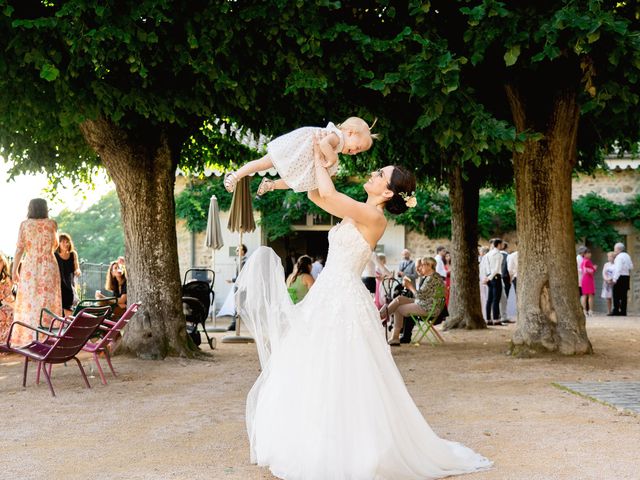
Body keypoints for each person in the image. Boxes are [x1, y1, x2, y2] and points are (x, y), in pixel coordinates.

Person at [234, 138, 491, 479]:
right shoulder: (358, 209)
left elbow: (328, 195)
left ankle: (351, 447)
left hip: (344, 299)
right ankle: (313, 439)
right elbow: (317, 195)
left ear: (387, 193)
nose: (372, 173)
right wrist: (301, 169)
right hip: (328, 296)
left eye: (379, 174)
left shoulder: (373, 216)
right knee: (315, 367)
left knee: (344, 370)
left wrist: (317, 152)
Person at [224, 117, 377, 196]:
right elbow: (324, 143)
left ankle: (271, 184)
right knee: (264, 163)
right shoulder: (336, 137)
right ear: (349, 133)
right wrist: (332, 159)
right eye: (357, 147)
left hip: (305, 157)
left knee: (299, 180)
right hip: (299, 147)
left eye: (358, 151)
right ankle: (235, 175)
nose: (355, 152)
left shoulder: (339, 142)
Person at [11, 198, 62, 346]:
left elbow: (20, 249)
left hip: (30, 267)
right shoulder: (52, 224)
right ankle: (47, 338)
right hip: (49, 266)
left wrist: (14, 271)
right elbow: (55, 245)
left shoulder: (25, 225)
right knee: (48, 301)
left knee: (30, 302)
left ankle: (29, 339)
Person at [381, 257, 445, 347]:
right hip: (428, 304)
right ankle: (383, 315)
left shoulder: (430, 279)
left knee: (398, 309)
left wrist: (409, 286)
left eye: (423, 265)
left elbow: (419, 296)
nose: (420, 267)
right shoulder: (435, 276)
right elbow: (422, 296)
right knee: (400, 299)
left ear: (429, 266)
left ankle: (393, 335)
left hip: (427, 307)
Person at [55, 232, 81, 315]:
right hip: (58, 285)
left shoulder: (73, 254)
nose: (66, 244)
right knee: (58, 311)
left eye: (67, 241)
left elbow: (77, 267)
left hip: (69, 285)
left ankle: (68, 326)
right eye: (63, 242)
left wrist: (77, 271)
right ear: (58, 243)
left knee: (68, 310)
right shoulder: (55, 255)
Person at [482, 238, 504, 326]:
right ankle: (496, 319)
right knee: (496, 299)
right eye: (501, 244)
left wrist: (486, 277)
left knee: (489, 299)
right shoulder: (499, 254)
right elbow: (496, 268)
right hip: (495, 277)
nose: (502, 246)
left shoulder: (488, 254)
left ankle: (488, 319)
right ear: (498, 245)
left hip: (489, 277)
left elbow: (485, 267)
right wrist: (489, 278)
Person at [610, 242, 634, 316]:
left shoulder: (619, 257)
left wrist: (614, 279)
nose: (614, 250)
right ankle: (623, 311)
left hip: (620, 277)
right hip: (626, 277)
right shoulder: (627, 256)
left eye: (615, 249)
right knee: (624, 295)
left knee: (616, 294)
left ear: (618, 249)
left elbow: (618, 269)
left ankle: (616, 310)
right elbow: (631, 267)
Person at [0, 253, 15, 346]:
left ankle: (9, 343)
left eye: (0, 261)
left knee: (14, 313)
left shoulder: (6, 278)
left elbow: (9, 297)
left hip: (5, 305)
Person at [580, 248, 597, 316]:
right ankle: (590, 311)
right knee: (590, 295)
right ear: (584, 254)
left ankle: (584, 310)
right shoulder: (587, 261)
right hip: (588, 278)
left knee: (584, 295)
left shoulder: (583, 261)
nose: (590, 254)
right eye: (588, 253)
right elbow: (591, 271)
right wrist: (594, 268)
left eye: (590, 253)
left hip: (584, 278)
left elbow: (583, 269)